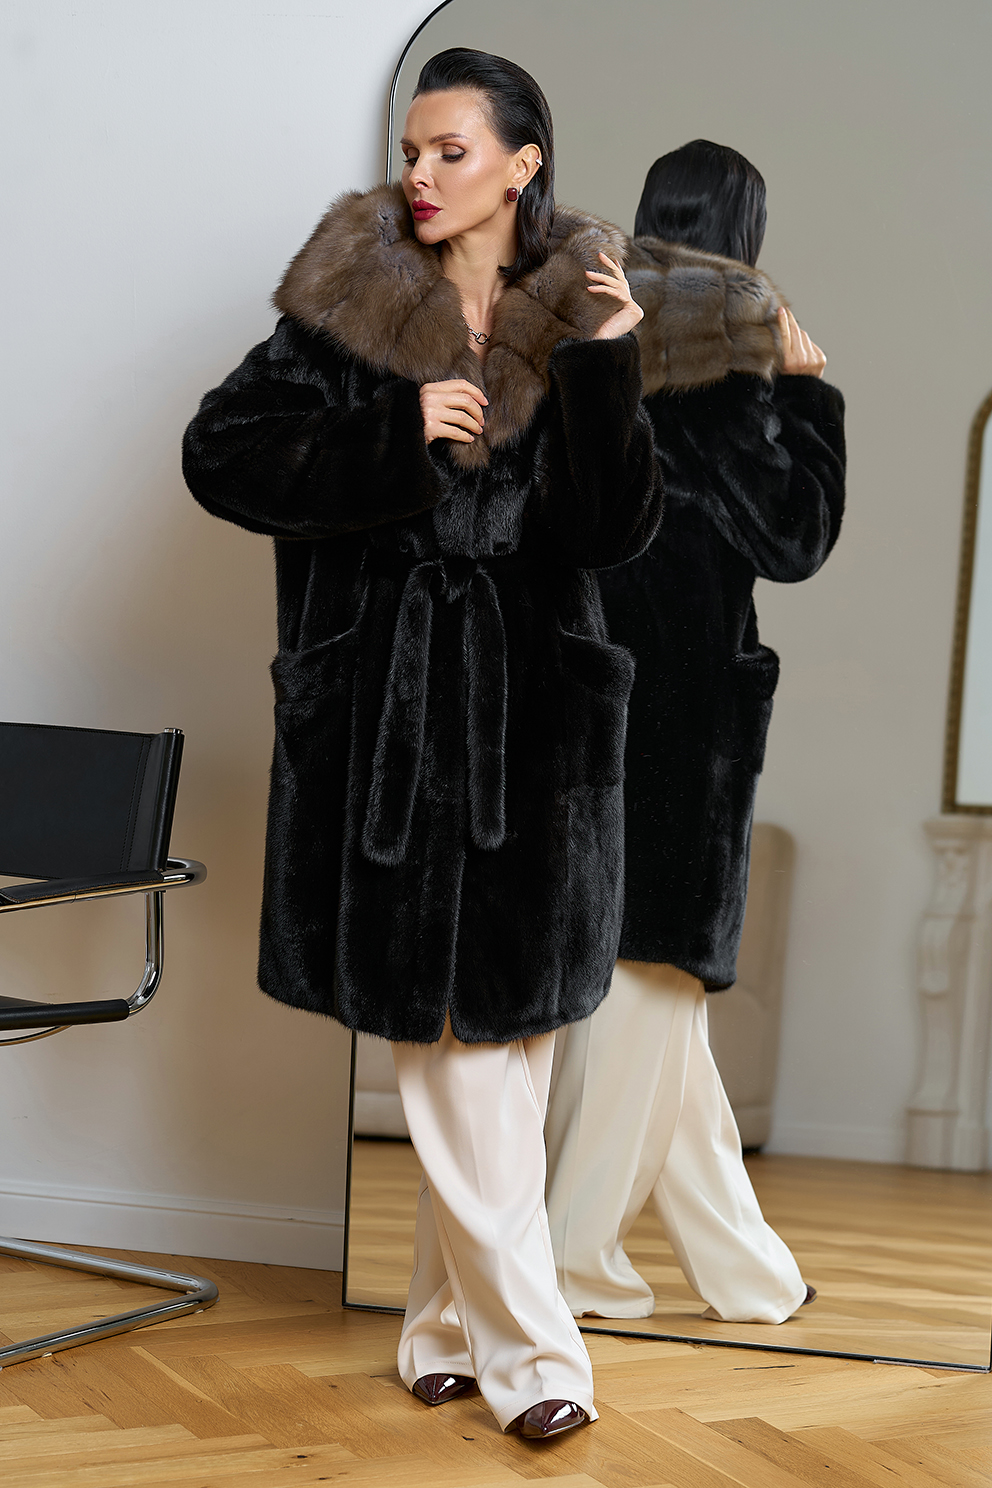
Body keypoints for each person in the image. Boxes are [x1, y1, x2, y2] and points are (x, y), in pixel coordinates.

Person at [182, 49, 660, 1438]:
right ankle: (541, 1362)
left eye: (452, 150)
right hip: (385, 713)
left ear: (522, 162)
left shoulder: (581, 313)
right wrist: (389, 436)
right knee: (452, 1049)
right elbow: (221, 454)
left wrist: (608, 365)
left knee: (510, 1041)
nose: (423, 173)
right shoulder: (349, 302)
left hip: (538, 716)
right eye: (411, 149)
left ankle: (438, 1331)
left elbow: (611, 533)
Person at [545, 140, 846, 1325]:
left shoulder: (591, 331)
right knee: (649, 987)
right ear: (744, 228)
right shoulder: (727, 351)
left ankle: (744, 1272)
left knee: (647, 993)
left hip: (586, 691)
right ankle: (568, 1258)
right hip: (681, 713)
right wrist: (806, 395)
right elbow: (792, 538)